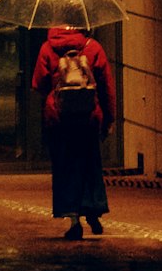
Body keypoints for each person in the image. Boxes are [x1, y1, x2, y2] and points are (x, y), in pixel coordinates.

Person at [32, 19, 115, 240]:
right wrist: (109, 118)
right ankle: (93, 211)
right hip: (88, 118)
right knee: (90, 164)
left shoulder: (47, 48)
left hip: (60, 119)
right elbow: (106, 86)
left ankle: (74, 219)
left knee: (65, 167)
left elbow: (39, 83)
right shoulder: (93, 47)